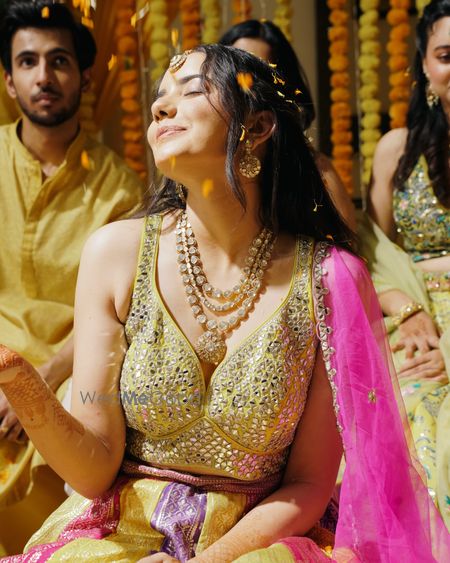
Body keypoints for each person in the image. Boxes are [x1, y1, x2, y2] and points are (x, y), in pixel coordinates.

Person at [0, 44, 448, 563]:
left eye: (191, 91)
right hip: (123, 532)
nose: (159, 107)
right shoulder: (115, 253)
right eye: (158, 98)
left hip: (261, 538)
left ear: (256, 127)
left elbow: (308, 483)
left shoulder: (328, 278)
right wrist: (20, 381)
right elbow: (94, 469)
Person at [0, 0, 144, 552]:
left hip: (67, 369)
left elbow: (118, 314)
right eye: (28, 61)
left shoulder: (119, 189)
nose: (43, 76)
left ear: (84, 77)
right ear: (9, 81)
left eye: (58, 61)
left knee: (78, 412)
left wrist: (32, 383)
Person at [362, 0, 450, 531]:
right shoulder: (396, 150)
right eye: (447, 55)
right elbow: (369, 251)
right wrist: (405, 306)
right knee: (393, 412)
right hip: (414, 321)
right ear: (424, 64)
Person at [219, 19, 357, 232]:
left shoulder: (312, 170)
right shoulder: (199, 158)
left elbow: (344, 245)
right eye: (237, 71)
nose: (245, 85)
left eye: (257, 74)